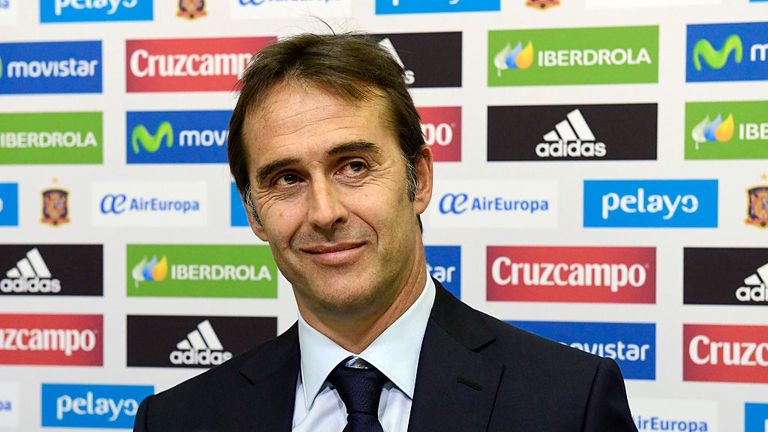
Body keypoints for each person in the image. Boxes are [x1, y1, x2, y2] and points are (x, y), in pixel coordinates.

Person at [133, 32, 638, 432]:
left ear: (419, 180)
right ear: (253, 213)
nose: (324, 212)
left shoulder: (569, 405)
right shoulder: (180, 419)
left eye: (353, 166)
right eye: (287, 179)